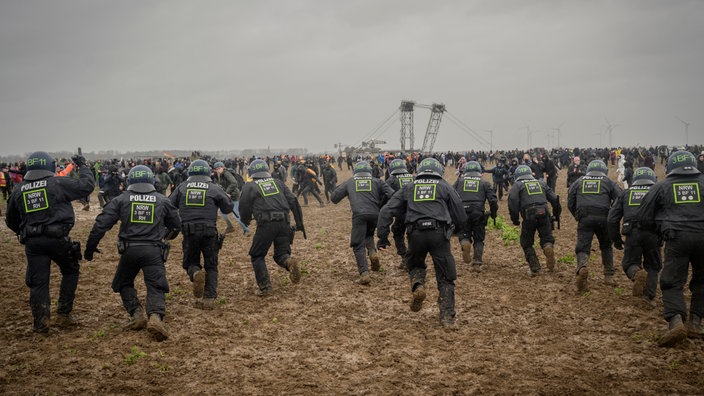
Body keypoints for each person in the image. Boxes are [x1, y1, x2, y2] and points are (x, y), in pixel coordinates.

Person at [83, 165, 181, 341]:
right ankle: (155, 317)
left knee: (123, 282)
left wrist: (90, 248)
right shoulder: (162, 200)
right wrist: (166, 236)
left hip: (129, 250)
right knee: (156, 285)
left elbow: (101, 224)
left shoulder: (121, 200)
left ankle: (136, 313)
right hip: (153, 250)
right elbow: (176, 224)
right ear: (151, 180)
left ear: (130, 180)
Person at [5, 152, 95, 334]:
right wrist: (83, 166)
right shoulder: (58, 183)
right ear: (50, 166)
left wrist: (23, 232)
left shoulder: (19, 190)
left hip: (33, 244)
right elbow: (86, 186)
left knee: (39, 283)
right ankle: (63, 313)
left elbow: (10, 219)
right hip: (58, 239)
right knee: (70, 270)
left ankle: (41, 322)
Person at [377, 158, 467, 327]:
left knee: (416, 264)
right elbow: (460, 212)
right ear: (438, 171)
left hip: (415, 234)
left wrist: (382, 237)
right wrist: (457, 230)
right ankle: (447, 317)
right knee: (446, 276)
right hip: (439, 234)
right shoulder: (444, 186)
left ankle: (418, 285)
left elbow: (386, 211)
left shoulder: (409, 187)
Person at [637, 150, 704, 347]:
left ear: (669, 167)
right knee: (702, 280)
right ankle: (696, 323)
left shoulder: (662, 186)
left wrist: (659, 231)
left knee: (672, 281)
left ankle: (676, 321)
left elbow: (643, 216)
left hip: (676, 238)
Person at [169, 160, 234, 309]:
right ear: (207, 172)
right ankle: (209, 299)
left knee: (190, 262)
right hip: (209, 230)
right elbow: (228, 208)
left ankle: (195, 273)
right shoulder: (214, 188)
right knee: (211, 265)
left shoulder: (182, 187)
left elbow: (169, 206)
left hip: (188, 231)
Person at [239, 159, 305, 296]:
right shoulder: (278, 183)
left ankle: (265, 288)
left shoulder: (249, 186)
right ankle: (288, 261)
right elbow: (293, 201)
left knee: (257, 255)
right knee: (281, 254)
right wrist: (299, 224)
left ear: (251, 173)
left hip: (266, 224)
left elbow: (244, 207)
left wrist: (245, 221)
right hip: (284, 222)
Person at [331, 161, 394, 284]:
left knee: (357, 244)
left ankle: (364, 273)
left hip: (359, 215)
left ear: (355, 172)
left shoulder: (350, 182)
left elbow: (334, 198)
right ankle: (372, 252)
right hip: (375, 215)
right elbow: (392, 194)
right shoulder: (377, 181)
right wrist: (381, 206)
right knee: (368, 235)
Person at [607, 167, 661, 305]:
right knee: (653, 265)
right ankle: (649, 297)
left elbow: (612, 219)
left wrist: (616, 240)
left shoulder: (626, 193)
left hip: (633, 233)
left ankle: (636, 274)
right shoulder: (658, 192)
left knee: (629, 263)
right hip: (653, 233)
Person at [568, 160, 622, 293]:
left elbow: (570, 199)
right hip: (604, 216)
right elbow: (620, 197)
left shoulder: (579, 181)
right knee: (605, 245)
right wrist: (612, 212)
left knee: (583, 246)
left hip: (585, 217)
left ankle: (582, 267)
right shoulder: (608, 181)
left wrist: (577, 215)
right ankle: (608, 276)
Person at [508, 165, 561, 276]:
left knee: (526, 242)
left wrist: (515, 219)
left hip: (529, 215)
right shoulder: (541, 183)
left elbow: (512, 202)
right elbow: (555, 199)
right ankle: (548, 247)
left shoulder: (517, 185)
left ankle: (535, 268)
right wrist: (556, 215)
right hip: (544, 212)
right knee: (546, 238)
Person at [454, 161, 498, 272]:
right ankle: (476, 263)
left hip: (462, 212)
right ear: (479, 172)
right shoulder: (485, 183)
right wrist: (493, 214)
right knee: (479, 238)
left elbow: (451, 196)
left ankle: (465, 241)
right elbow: (493, 200)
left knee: (464, 233)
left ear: (465, 171)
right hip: (478, 212)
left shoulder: (459, 182)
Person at [384, 158, 415, 270]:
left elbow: (384, 197)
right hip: (415, 212)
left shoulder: (390, 180)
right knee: (413, 235)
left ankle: (404, 257)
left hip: (400, 213)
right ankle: (412, 257)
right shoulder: (413, 178)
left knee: (397, 232)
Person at [212, 161, 249, 235]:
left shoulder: (226, 173)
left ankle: (246, 230)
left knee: (236, 215)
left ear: (223, 167)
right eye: (216, 169)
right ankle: (230, 227)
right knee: (222, 212)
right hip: (227, 196)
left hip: (234, 195)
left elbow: (234, 183)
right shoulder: (220, 175)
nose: (218, 170)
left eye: (219, 168)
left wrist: (228, 192)